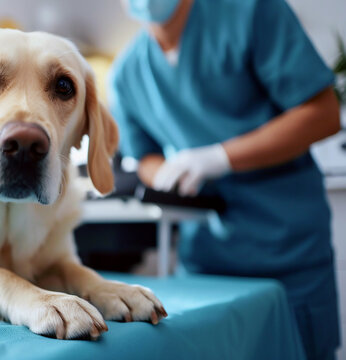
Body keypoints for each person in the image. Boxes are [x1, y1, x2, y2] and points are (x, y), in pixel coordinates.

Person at [110, 0, 342, 358]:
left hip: (287, 252)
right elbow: (144, 157)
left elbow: (323, 113)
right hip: (207, 265)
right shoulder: (127, 73)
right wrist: (170, 173)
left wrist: (219, 158)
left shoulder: (251, 12)